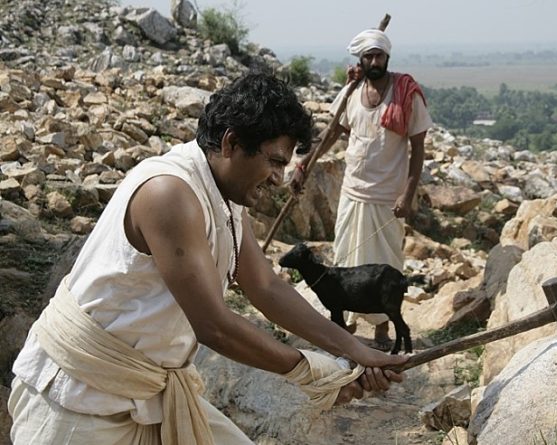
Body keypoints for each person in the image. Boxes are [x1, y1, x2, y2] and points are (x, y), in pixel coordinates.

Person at [7, 72, 406, 444]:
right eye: (274, 161)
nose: (279, 179)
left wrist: (351, 350)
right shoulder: (170, 194)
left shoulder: (226, 193)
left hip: (146, 388)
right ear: (231, 143)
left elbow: (265, 287)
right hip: (78, 395)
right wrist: (312, 371)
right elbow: (214, 326)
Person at [291, 29, 433, 351]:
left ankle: (383, 332)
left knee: (384, 265)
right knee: (346, 258)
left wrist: (407, 195)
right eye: (368, 56)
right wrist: (305, 164)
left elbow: (418, 148)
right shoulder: (352, 91)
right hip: (353, 191)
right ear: (360, 59)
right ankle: (347, 324)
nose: (374, 61)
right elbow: (331, 134)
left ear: (387, 57)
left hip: (386, 197)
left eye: (378, 55)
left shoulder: (405, 93)